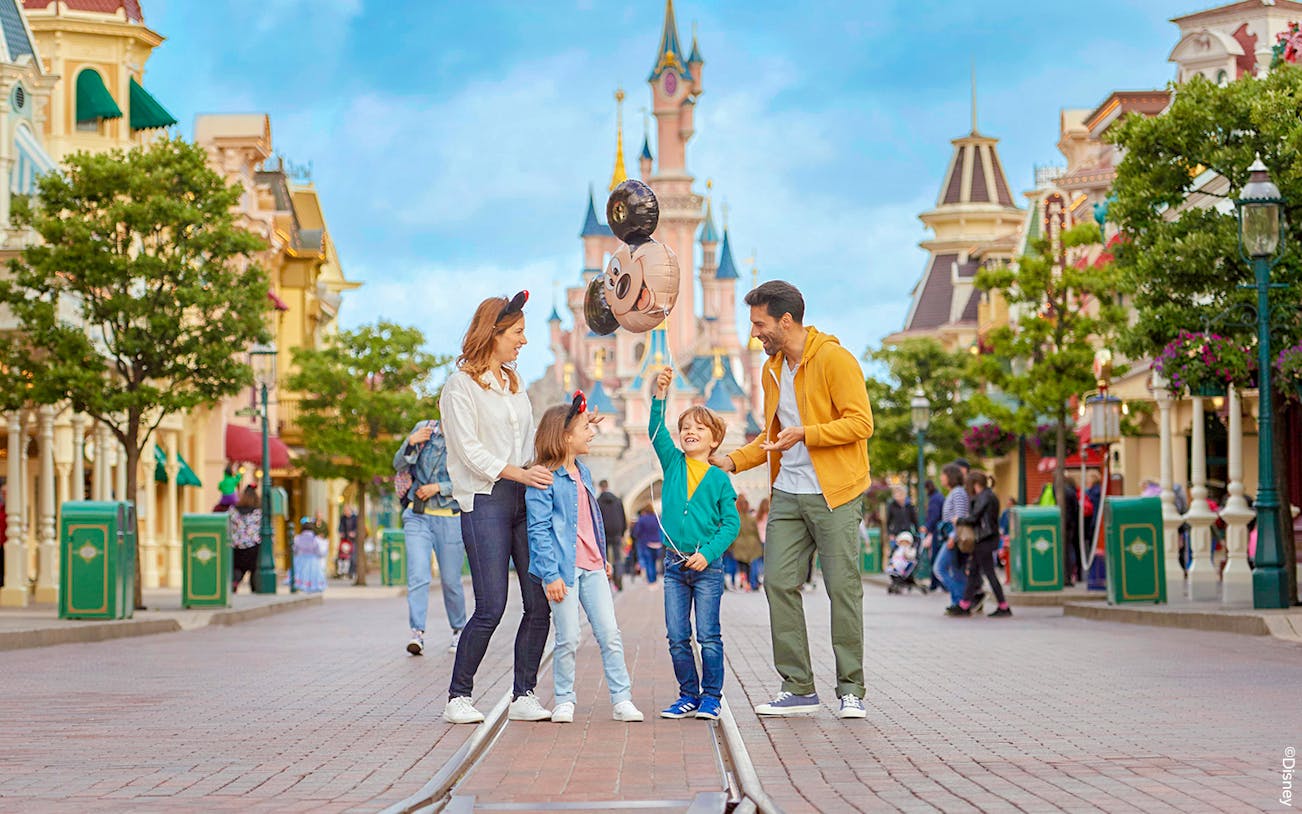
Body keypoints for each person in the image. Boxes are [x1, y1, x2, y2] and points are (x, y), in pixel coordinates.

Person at [711, 281, 874, 720]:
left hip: (835, 492)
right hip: (787, 492)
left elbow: (861, 423)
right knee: (778, 581)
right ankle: (799, 687)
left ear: (786, 321)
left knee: (843, 589)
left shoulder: (835, 360)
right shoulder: (771, 369)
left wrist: (809, 433)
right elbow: (772, 437)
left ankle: (851, 688)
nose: (755, 334)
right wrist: (729, 461)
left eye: (760, 324)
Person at [439, 291, 558, 725]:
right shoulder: (460, 387)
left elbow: (527, 445)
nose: (524, 341)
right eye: (519, 333)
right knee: (491, 605)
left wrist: (560, 442)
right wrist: (516, 472)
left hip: (524, 499)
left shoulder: (515, 384)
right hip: (485, 499)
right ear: (495, 332)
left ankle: (523, 693)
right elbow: (467, 449)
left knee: (538, 602)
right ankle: (458, 696)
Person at [526, 395, 643, 723]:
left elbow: (590, 519)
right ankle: (564, 698)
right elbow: (538, 531)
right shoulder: (544, 478)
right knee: (569, 638)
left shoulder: (585, 473)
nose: (591, 434)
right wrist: (550, 575)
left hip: (592, 567)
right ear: (565, 436)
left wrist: (602, 555)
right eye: (584, 429)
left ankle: (622, 699)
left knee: (609, 634)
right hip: (563, 570)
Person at [650, 366, 740, 721]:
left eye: (699, 429)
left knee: (709, 636)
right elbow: (655, 431)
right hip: (674, 565)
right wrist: (660, 395)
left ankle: (711, 697)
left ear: (714, 440)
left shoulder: (718, 479)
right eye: (686, 428)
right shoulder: (673, 464)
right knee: (676, 635)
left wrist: (709, 554)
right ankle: (687, 694)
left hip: (707, 568)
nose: (690, 433)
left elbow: (731, 524)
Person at [394, 418, 468, 656]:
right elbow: (398, 465)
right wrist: (410, 442)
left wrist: (438, 488)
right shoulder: (423, 430)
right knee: (418, 576)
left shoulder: (466, 433)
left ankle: (458, 630)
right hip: (418, 515)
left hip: (450, 517)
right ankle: (417, 632)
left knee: (451, 580)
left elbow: (470, 478)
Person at [949, 471, 1012, 617]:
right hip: (984, 539)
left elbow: (974, 517)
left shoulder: (985, 497)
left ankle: (1003, 606)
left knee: (988, 573)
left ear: (975, 484)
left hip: (984, 539)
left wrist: (958, 520)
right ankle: (965, 605)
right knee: (974, 572)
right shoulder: (987, 496)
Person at [934, 463, 971, 614]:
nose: (941, 478)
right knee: (957, 571)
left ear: (950, 476)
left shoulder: (957, 493)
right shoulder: (955, 492)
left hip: (954, 538)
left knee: (939, 568)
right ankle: (960, 603)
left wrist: (952, 536)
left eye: (943, 475)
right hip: (951, 537)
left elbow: (960, 516)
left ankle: (962, 598)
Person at [228, 486, 261, 593]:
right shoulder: (258, 512)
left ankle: (235, 582)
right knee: (254, 568)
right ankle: (254, 587)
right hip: (253, 546)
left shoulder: (233, 511)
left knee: (237, 568)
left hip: (236, 546)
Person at [596, 480, 628, 591]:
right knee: (618, 558)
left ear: (600, 487)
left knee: (606, 559)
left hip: (604, 534)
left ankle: (607, 582)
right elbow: (623, 517)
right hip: (617, 533)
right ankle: (619, 581)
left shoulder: (598, 501)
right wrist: (623, 532)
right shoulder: (617, 500)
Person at [729, 494, 763, 592]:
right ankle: (750, 583)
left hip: (739, 544)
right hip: (752, 544)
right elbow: (756, 532)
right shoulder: (752, 519)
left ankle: (743, 583)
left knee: (741, 565)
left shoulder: (736, 519)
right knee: (750, 565)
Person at [292, 517, 328, 594]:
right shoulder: (314, 539)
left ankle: (300, 586)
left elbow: (295, 550)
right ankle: (311, 586)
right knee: (313, 574)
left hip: (301, 559)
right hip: (312, 560)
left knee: (300, 573)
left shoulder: (297, 538)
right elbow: (318, 552)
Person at [631, 505, 663, 586]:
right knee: (654, 561)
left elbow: (636, 532)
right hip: (657, 543)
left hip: (647, 543)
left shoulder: (642, 519)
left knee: (649, 562)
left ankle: (651, 580)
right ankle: (655, 578)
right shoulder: (656, 518)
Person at [924, 478, 944, 589]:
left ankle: (935, 583)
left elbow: (934, 515)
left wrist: (927, 526)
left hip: (937, 531)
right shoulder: (939, 496)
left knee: (935, 557)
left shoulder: (934, 499)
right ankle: (937, 583)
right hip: (939, 530)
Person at [751, 497, 769, 590]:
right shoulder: (770, 516)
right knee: (767, 563)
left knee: (757, 562)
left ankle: (755, 581)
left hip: (758, 541)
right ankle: (764, 581)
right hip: (769, 542)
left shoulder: (757, 516)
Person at [337, 505, 359, 578]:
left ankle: (352, 573)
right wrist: (341, 532)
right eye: (344, 511)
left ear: (350, 511)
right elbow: (340, 527)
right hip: (345, 540)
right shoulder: (342, 518)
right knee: (342, 557)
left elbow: (357, 527)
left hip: (352, 540)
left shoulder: (355, 518)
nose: (346, 512)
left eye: (347, 510)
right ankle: (343, 572)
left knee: (353, 557)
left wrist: (354, 532)